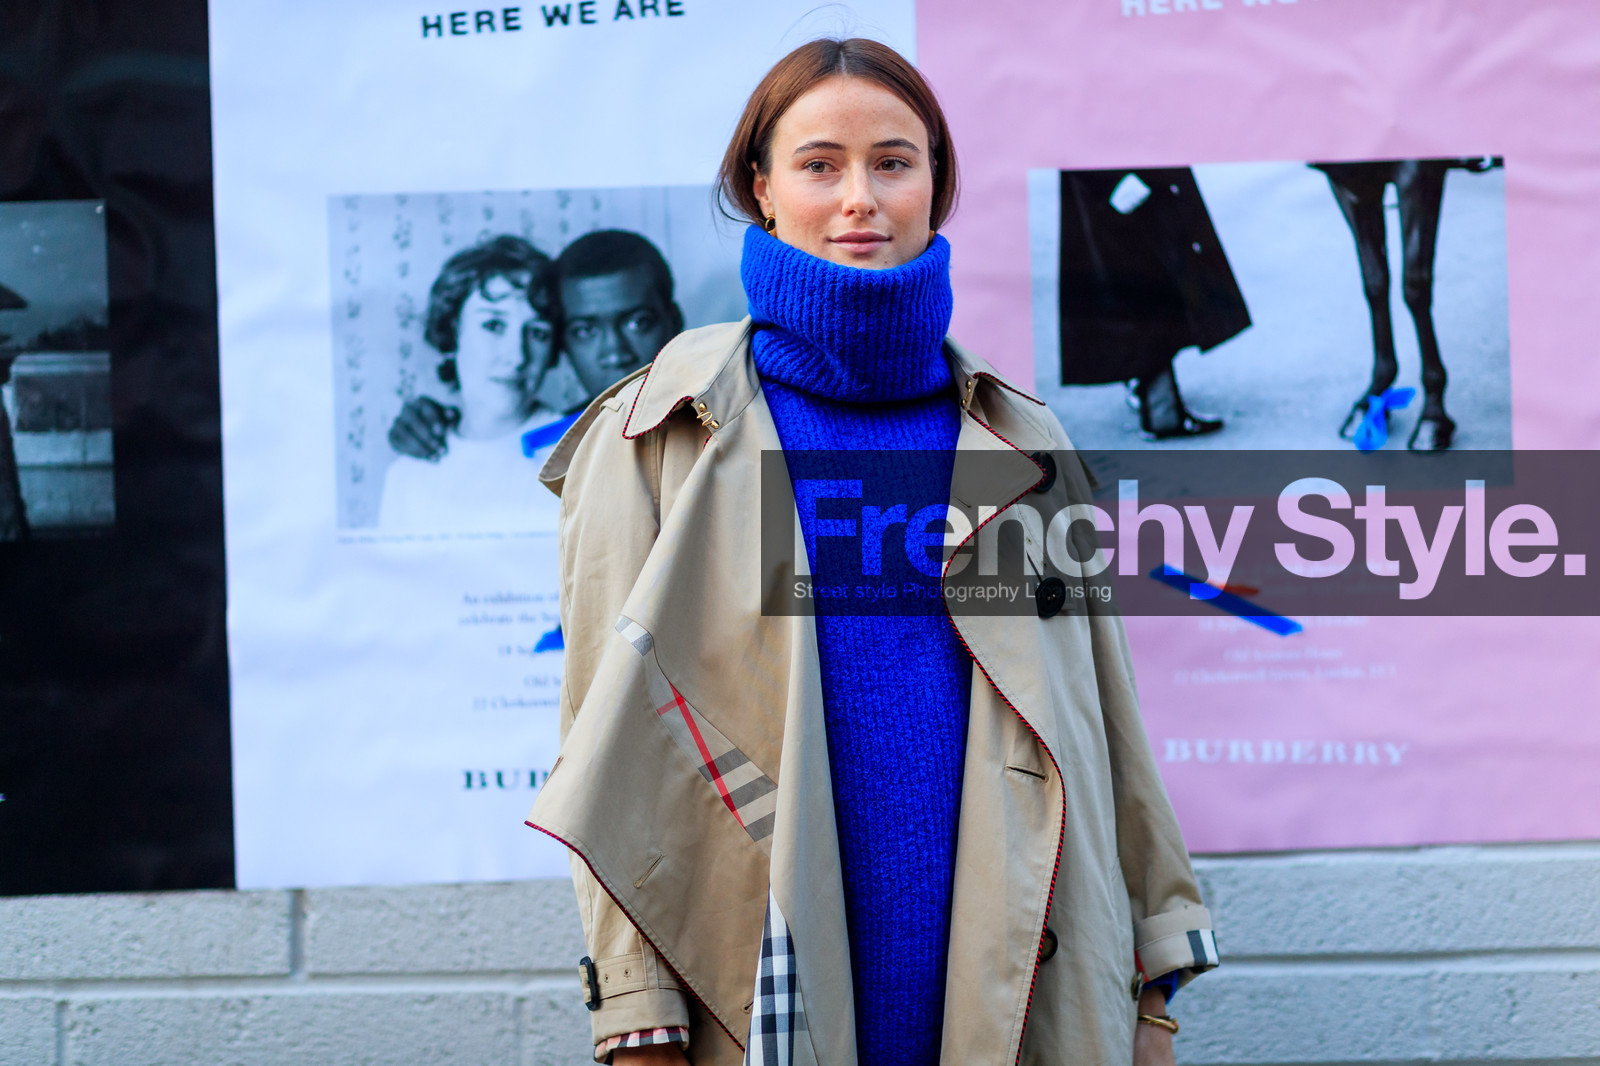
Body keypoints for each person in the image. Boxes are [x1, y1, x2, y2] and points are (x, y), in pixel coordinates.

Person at [526, 38, 1216, 1066]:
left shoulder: (1017, 439)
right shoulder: (661, 432)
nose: (860, 197)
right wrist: (635, 1009)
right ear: (761, 189)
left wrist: (1153, 975)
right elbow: (605, 741)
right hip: (762, 967)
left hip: (1017, 964)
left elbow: (1102, 720)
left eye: (893, 161)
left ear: (936, 185)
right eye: (819, 164)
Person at [387, 229, 683, 464]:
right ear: (564, 344)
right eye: (585, 330)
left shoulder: (719, 414)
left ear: (674, 321)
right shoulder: (561, 441)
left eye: (638, 323)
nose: (615, 353)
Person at [377, 235, 563, 533]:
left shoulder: (576, 457)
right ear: (453, 334)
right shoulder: (408, 475)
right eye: (493, 325)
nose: (516, 357)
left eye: (537, 333)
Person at [1056, 167, 1250, 440]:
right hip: (1120, 180)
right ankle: (1161, 410)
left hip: (1123, 176)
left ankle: (1147, 391)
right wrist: (1110, 182)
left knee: (1144, 287)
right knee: (1149, 289)